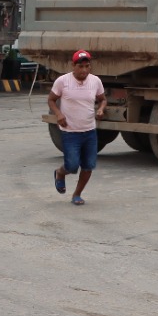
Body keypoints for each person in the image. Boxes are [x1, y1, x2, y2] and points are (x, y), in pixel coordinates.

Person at [47, 48, 106, 206]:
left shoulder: (95, 81)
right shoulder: (63, 81)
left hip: (89, 131)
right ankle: (60, 173)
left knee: (88, 166)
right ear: (73, 66)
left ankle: (77, 194)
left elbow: (102, 99)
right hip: (70, 132)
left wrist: (100, 109)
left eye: (87, 66)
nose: (84, 70)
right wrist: (58, 114)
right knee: (72, 166)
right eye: (80, 66)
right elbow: (51, 99)